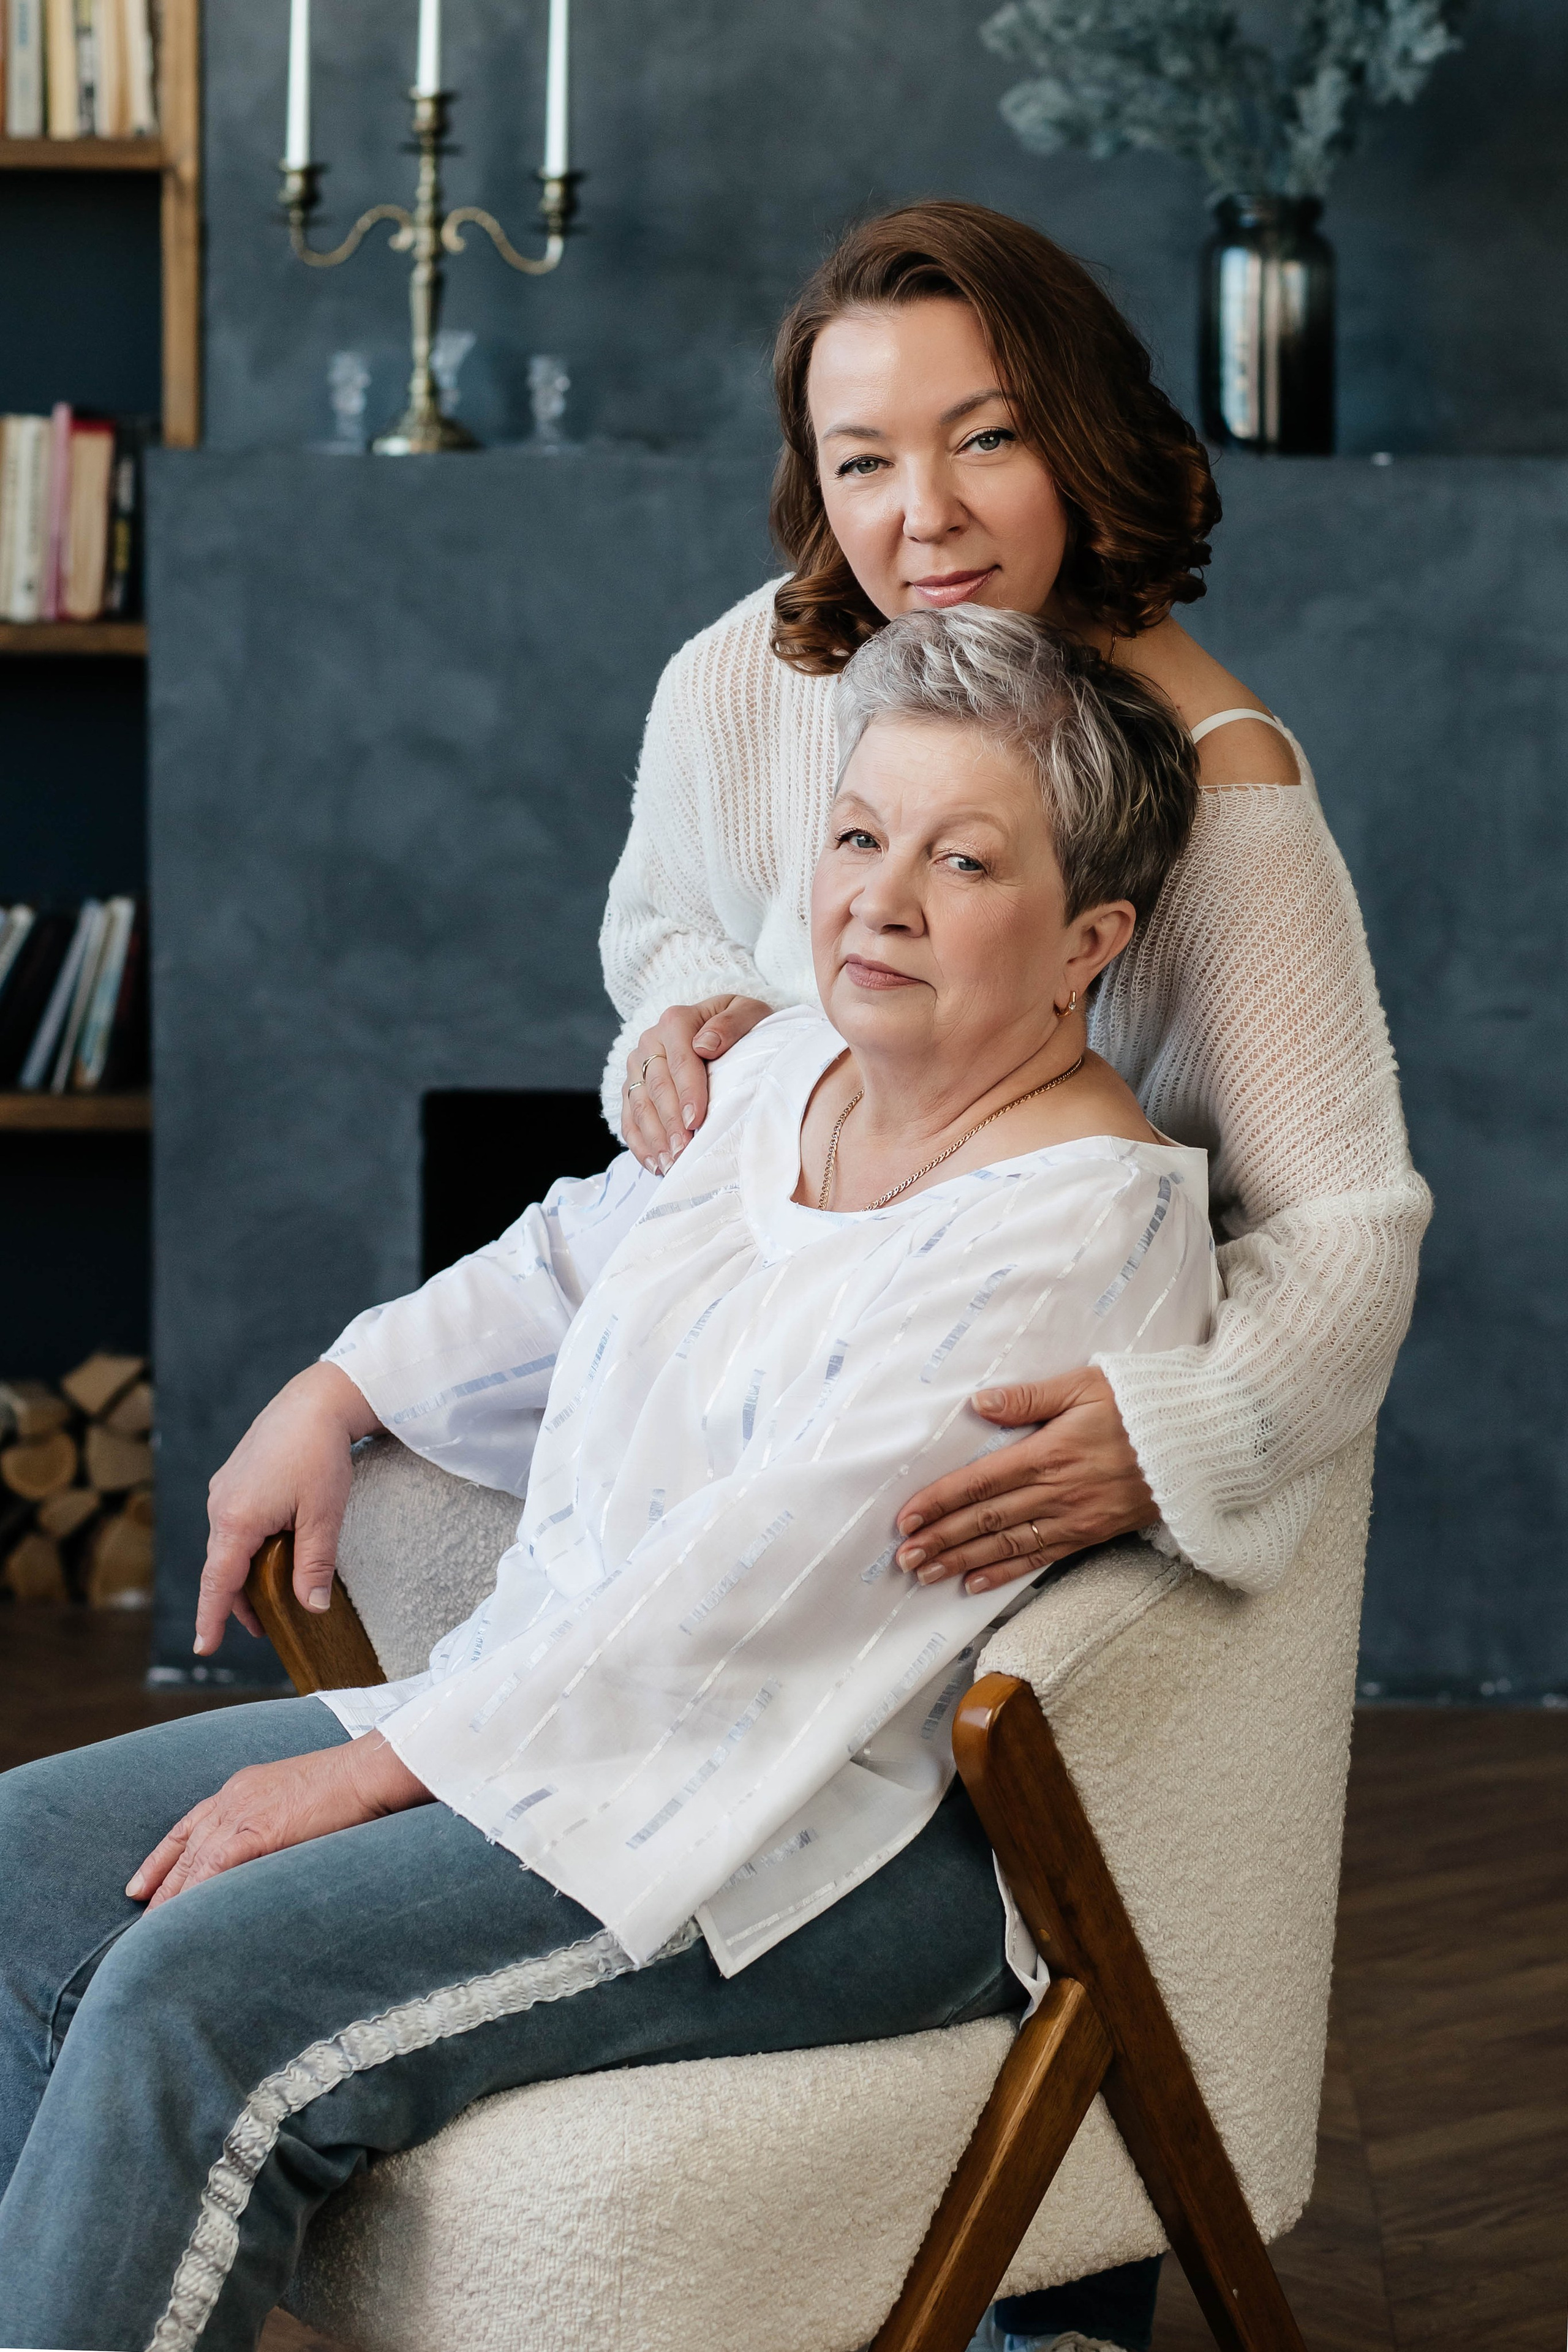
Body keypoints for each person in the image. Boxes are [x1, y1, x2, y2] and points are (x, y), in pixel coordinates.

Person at [1, 609, 1215, 2352]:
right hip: (547, 1730)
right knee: (26, 1857)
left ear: (1089, 938)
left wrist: (374, 1775)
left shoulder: (1084, 1226)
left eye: (965, 862)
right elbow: (567, 1263)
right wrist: (340, 1386)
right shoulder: (791, 1067)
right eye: (861, 836)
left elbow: (768, 1583)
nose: (880, 897)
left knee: (196, 1997)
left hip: (809, 1835)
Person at [599, 198, 1430, 2352]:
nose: (924, 516)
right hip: (808, 1368)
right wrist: (675, 1024)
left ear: (1082, 439)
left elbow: (1346, 1229)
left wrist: (1177, 1434)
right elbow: (672, 922)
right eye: (863, 458)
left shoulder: (1218, 793)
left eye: (982, 442)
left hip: (1034, 1430)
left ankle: (1050, 2291)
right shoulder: (743, 679)